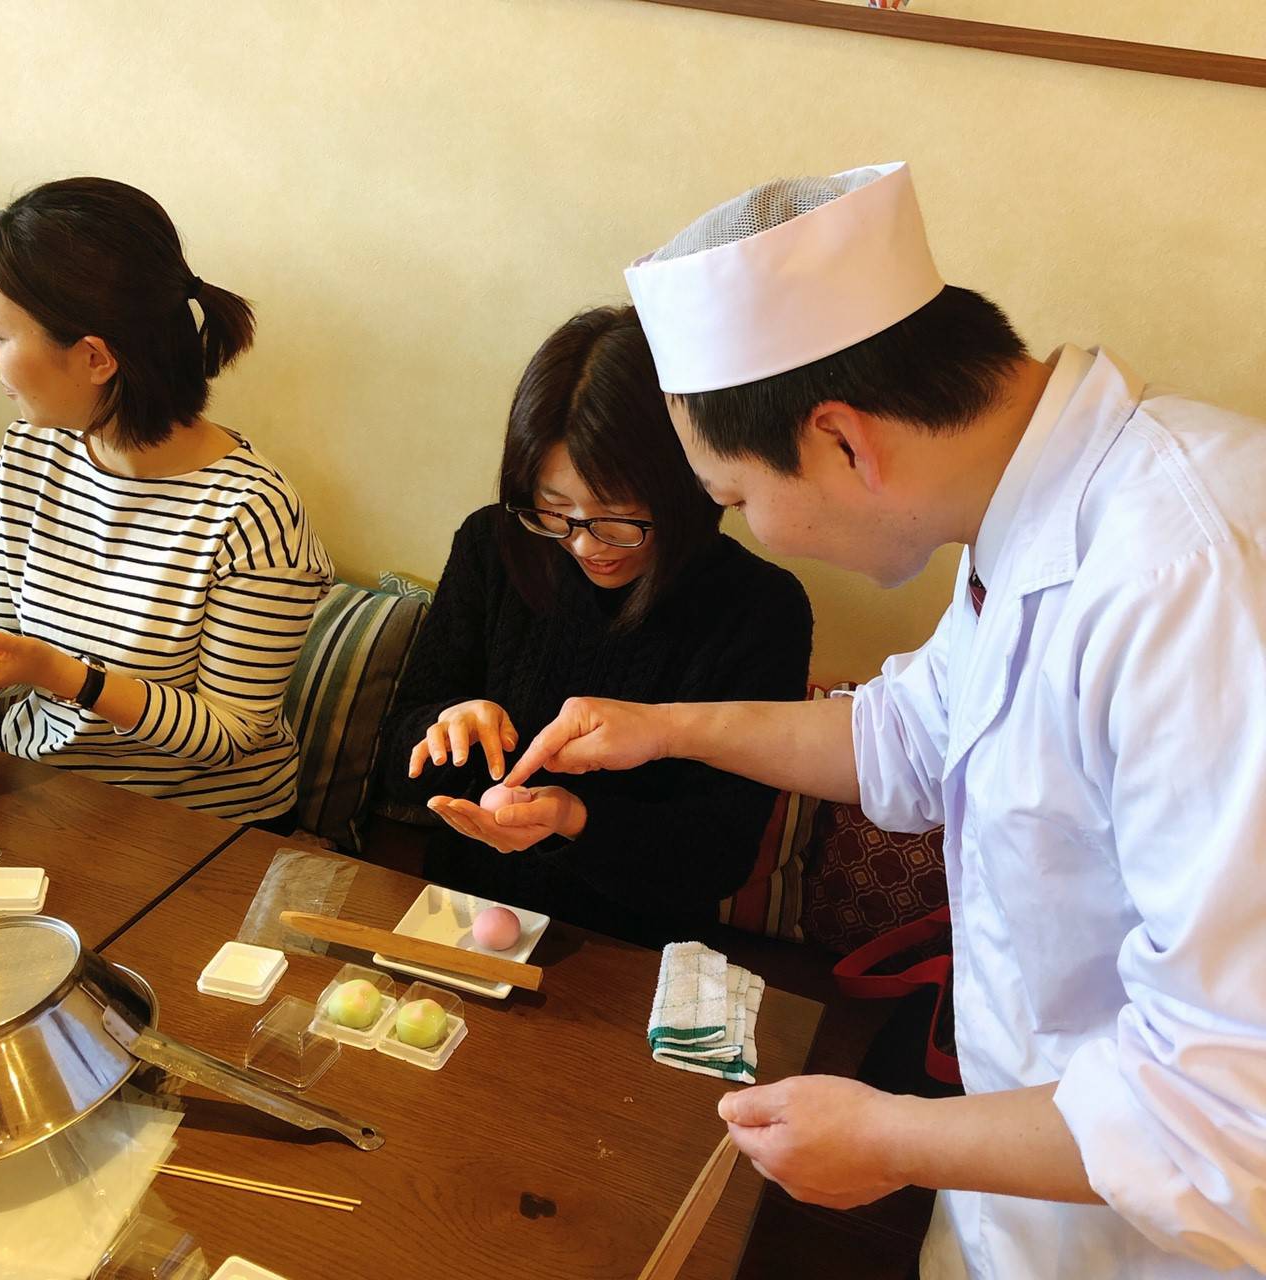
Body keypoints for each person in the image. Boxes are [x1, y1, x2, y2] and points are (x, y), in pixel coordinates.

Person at [504, 165, 1266, 1276]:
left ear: (843, 442)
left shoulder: (1191, 581)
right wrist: (663, 725)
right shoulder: (1035, 509)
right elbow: (907, 735)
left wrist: (889, 1137)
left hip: (1167, 1239)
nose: (749, 529)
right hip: (1023, 1183)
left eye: (735, 499)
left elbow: (1226, 1101)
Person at [379, 305, 812, 946]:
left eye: (619, 516)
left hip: (629, 950)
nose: (585, 545)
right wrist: (448, 725)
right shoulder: (495, 544)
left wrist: (576, 818)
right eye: (555, 511)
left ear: (690, 489)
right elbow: (396, 761)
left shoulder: (759, 610)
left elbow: (718, 856)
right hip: (461, 915)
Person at [0, 177, 332, 829]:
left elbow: (230, 736)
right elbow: (1, 639)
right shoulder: (32, 455)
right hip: (43, 794)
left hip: (201, 830)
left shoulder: (252, 516)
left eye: (0, 336)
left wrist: (62, 674)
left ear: (93, 357)